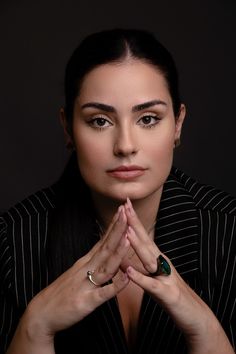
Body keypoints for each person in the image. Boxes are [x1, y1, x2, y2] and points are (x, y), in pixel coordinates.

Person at [0, 29, 235, 354]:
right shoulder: (12, 241)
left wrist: (206, 329)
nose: (125, 146)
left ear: (178, 124)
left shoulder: (230, 231)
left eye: (148, 119)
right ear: (68, 128)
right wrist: (35, 327)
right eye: (99, 121)